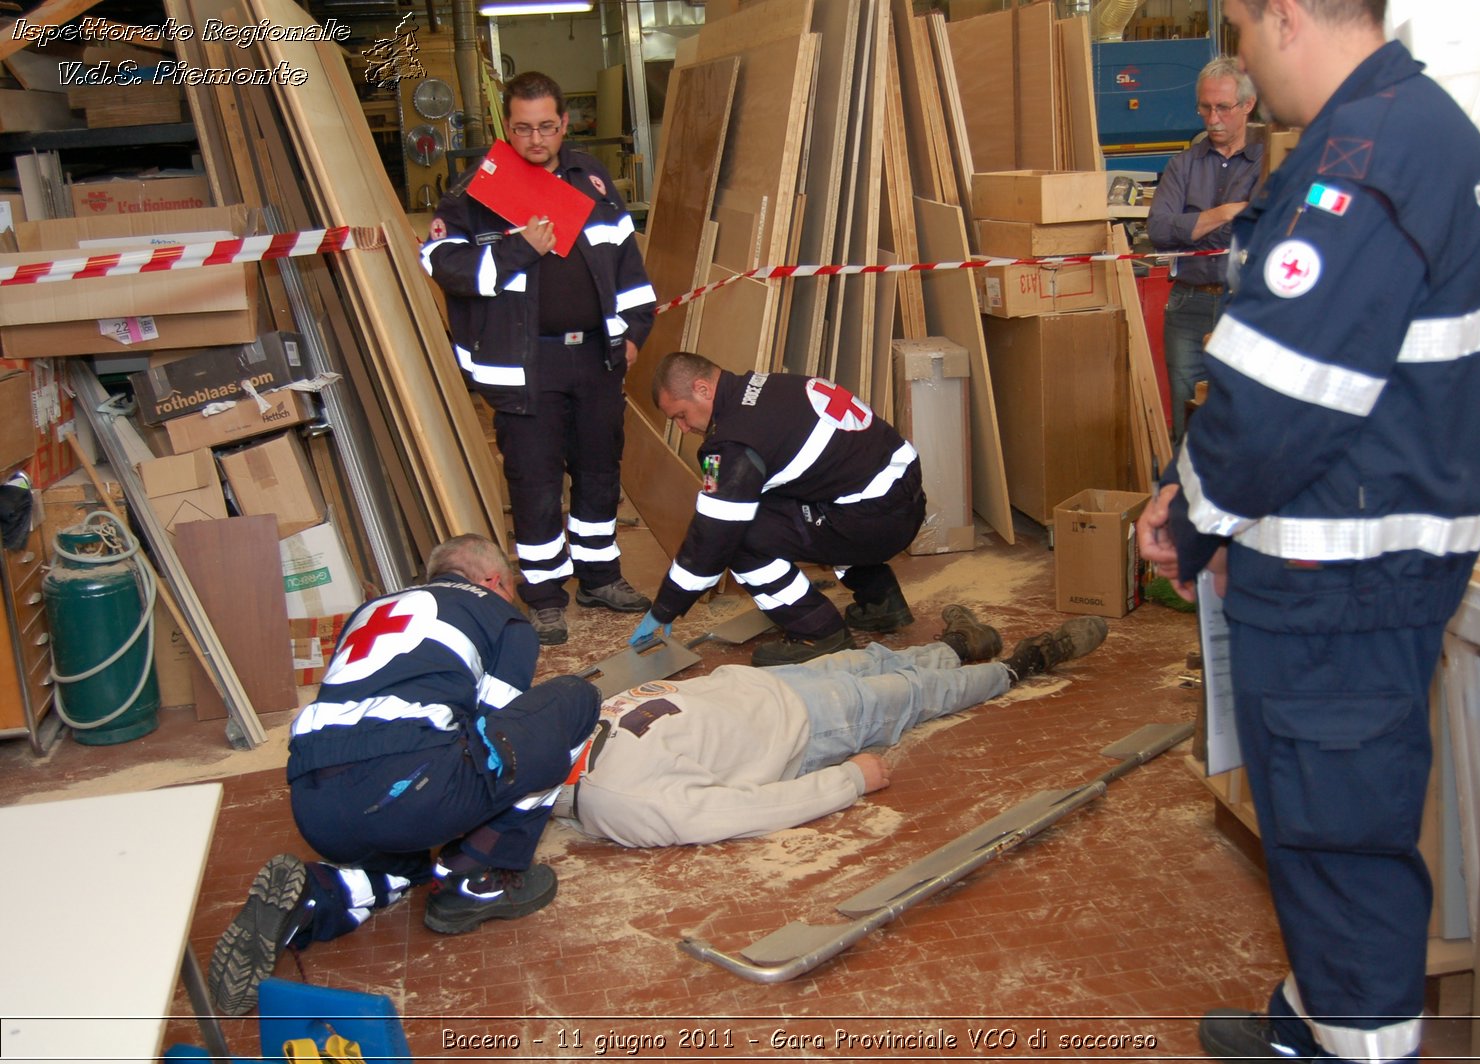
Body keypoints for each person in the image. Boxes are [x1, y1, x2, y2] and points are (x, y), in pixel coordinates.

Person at [1135, 1, 1480, 1059]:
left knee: (1340, 841)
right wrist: (1191, 487)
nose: (1243, 67)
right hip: (1353, 551)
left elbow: (1281, 394)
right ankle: (1314, 1016)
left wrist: (1188, 517)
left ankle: (1355, 1041)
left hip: (1340, 575)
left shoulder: (1368, 160)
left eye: (1244, 36)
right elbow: (1286, 350)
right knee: (1318, 821)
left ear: (1285, 15)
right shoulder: (1405, 129)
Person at [205, 535, 601, 1016]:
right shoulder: (503, 619)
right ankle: (476, 878)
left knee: (405, 855)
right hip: (407, 788)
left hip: (315, 802)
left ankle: (314, 897)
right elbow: (497, 729)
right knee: (572, 702)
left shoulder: (370, 611)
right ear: (494, 581)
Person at [420, 71, 656, 646]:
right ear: (506, 125)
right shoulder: (478, 189)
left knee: (600, 470)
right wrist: (519, 248)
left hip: (598, 358)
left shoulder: (594, 183)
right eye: (522, 128)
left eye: (546, 126)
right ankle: (545, 595)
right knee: (535, 481)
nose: (535, 138)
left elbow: (628, 268)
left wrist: (634, 333)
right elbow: (441, 263)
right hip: (526, 366)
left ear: (564, 123)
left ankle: (600, 576)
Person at [560, 607, 1109, 847]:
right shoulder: (621, 801)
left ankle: (960, 645)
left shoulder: (559, 737)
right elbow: (744, 813)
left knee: (871, 661)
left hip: (768, 688)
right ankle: (1022, 664)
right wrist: (848, 781)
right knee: (913, 696)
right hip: (808, 728)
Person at [629, 352, 927, 667]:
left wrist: (666, 606)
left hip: (874, 521)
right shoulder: (765, 384)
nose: (684, 429)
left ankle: (819, 633)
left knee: (739, 537)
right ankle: (880, 601)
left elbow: (712, 538)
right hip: (902, 498)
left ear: (702, 389)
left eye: (681, 415)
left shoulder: (730, 446)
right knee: (787, 498)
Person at [1146, 55, 1262, 444]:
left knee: (1246, 414)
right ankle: (1186, 502)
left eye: (1223, 108)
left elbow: (1270, 227)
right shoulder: (1183, 166)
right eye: (1205, 107)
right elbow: (1160, 230)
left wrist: (1193, 228)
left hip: (1247, 306)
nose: (1212, 119)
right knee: (1187, 418)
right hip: (1188, 305)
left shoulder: (1270, 165)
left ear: (1247, 105)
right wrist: (1226, 213)